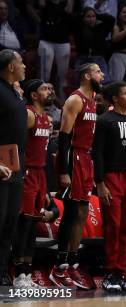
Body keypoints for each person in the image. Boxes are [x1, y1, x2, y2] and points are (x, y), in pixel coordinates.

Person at [50, 63, 103, 289]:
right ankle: (58, 267)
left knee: (82, 211)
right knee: (72, 212)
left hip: (86, 158)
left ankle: (72, 264)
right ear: (87, 75)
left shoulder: (93, 101)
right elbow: (63, 138)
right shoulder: (75, 100)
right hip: (73, 158)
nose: (102, 75)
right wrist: (63, 171)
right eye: (98, 71)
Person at [93, 81, 126, 293]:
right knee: (113, 226)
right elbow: (98, 154)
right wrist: (100, 184)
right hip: (112, 177)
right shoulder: (105, 120)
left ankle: (122, 272)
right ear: (115, 98)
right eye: (125, 93)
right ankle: (110, 272)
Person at [12, 80, 52, 288]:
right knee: (24, 223)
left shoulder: (47, 118)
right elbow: (15, 143)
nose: (50, 92)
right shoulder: (28, 114)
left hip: (40, 173)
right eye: (45, 89)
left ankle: (27, 273)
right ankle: (18, 273)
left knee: (34, 223)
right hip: (27, 172)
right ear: (34, 95)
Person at [0, 50, 26, 286]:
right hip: (1, 165)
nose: (24, 66)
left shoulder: (15, 93)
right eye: (21, 62)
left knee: (10, 222)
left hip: (16, 164)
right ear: (10, 67)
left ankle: (1, 272)